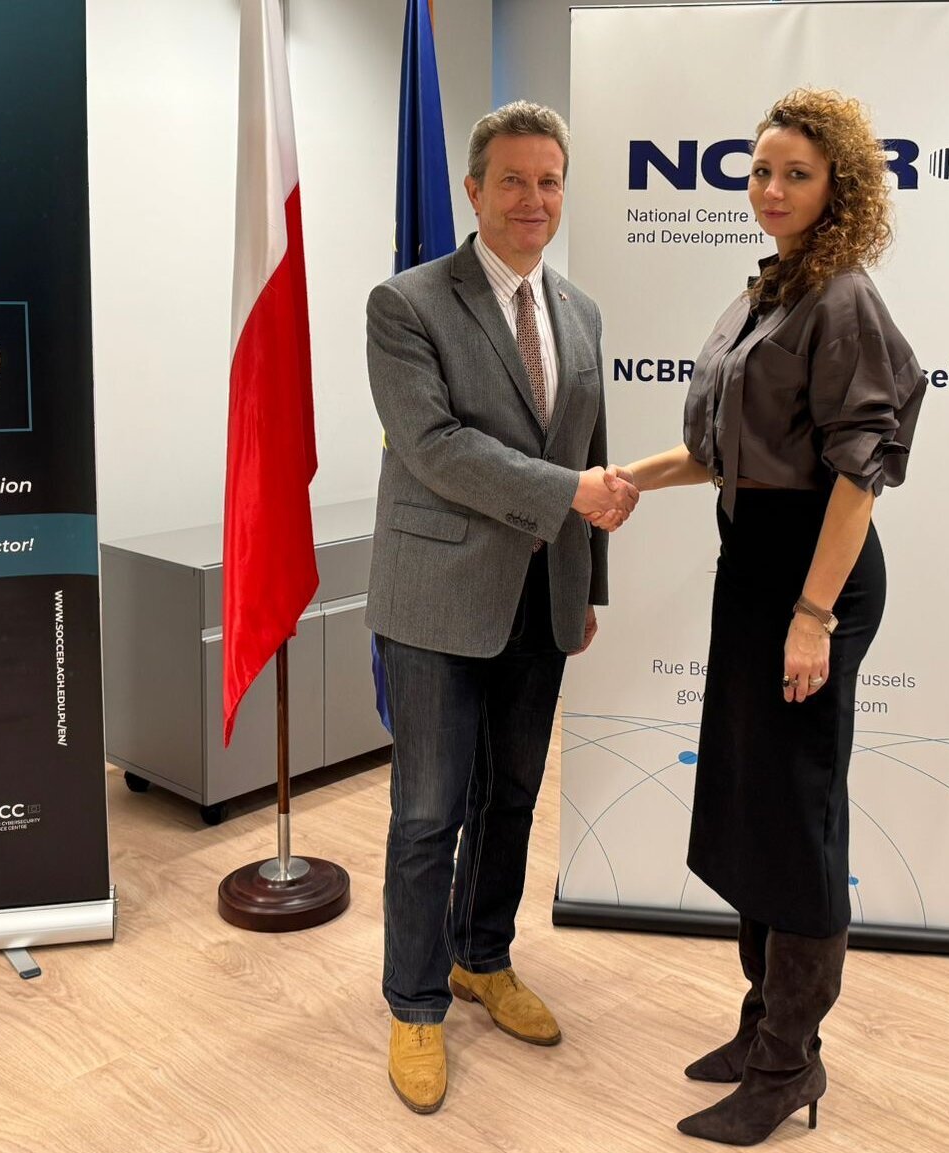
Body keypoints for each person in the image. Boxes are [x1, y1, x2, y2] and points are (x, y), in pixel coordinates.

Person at [618, 87, 926, 1146]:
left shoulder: (841, 297)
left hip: (813, 578)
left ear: (837, 183)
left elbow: (859, 475)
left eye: (794, 172)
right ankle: (761, 1026)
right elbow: (718, 451)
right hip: (750, 568)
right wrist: (618, 481)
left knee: (795, 816)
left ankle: (790, 1064)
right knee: (750, 800)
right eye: (758, 171)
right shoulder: (766, 290)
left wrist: (811, 615)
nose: (770, 188)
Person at [365, 100, 636, 1116]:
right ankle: (414, 1004)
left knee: (511, 799)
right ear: (472, 190)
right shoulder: (405, 304)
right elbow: (432, 449)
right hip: (435, 602)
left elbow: (591, 457)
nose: (534, 199)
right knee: (428, 813)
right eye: (513, 180)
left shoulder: (581, 312)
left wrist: (588, 581)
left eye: (550, 181)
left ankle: (483, 957)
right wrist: (567, 493)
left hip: (542, 600)